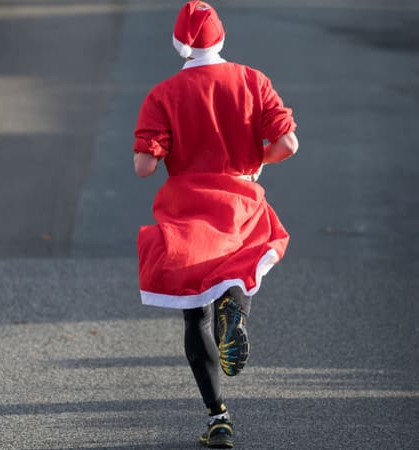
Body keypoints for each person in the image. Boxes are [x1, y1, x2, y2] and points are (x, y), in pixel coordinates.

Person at [132, 1, 298, 447]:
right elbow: (287, 142)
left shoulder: (163, 95)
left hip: (187, 211)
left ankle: (217, 417)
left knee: (194, 316)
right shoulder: (252, 80)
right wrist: (251, 161)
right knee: (239, 272)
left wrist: (163, 149)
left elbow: (146, 166)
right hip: (240, 201)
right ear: (222, 39)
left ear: (179, 46)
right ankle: (236, 312)